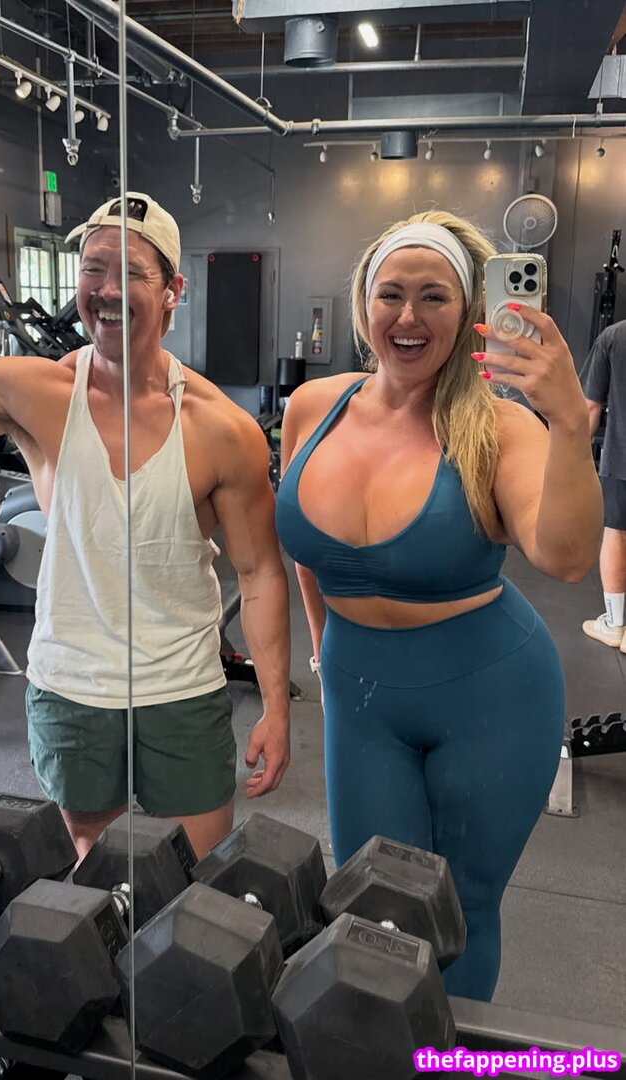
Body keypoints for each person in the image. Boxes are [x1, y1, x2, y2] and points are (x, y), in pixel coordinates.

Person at [0, 191, 291, 860]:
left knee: (195, 881)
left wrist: (276, 708)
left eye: (130, 272)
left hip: (182, 690)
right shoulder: (34, 393)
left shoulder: (222, 429)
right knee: (91, 881)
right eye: (92, 269)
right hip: (72, 687)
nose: (105, 290)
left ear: (173, 291)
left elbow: (258, 575)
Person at [276, 210, 602, 1001]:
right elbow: (307, 558)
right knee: (371, 907)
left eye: (434, 296)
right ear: (363, 301)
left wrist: (566, 422)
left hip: (489, 694)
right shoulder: (311, 406)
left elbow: (564, 557)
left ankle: (446, 1058)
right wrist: (323, 653)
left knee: (460, 912)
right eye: (390, 293)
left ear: (470, 310)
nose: (408, 317)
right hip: (358, 694)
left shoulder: (499, 426)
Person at [580, 319, 626, 648]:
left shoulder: (615, 336)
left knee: (616, 533)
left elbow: (590, 405)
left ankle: (615, 624)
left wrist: (572, 463)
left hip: (621, 458)